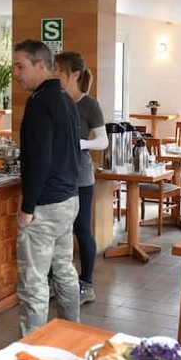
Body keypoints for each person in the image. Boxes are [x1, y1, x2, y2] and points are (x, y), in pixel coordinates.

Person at [13, 39, 82, 335]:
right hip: (68, 199)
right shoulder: (65, 98)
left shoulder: (40, 102)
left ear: (41, 65)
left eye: (20, 66)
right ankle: (71, 334)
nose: (15, 73)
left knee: (33, 283)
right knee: (64, 269)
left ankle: (31, 349)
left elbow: (40, 158)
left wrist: (27, 206)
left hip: (45, 206)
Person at [53, 51, 107, 305]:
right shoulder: (56, 100)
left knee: (81, 228)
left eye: (58, 70)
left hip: (81, 176)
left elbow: (103, 141)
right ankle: (56, 282)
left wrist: (81, 143)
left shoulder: (89, 105)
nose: (54, 74)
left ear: (74, 74)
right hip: (57, 175)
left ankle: (87, 284)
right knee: (56, 229)